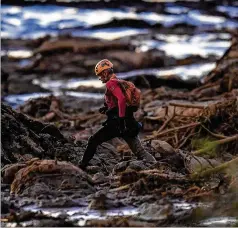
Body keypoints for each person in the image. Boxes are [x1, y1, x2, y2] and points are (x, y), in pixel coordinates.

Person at [79, 59, 156, 170]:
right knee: (140, 151)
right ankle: (155, 165)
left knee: (93, 140)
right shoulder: (118, 82)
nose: (100, 78)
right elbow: (116, 102)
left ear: (105, 73)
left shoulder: (111, 83)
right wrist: (106, 108)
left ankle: (82, 167)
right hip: (128, 122)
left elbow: (121, 99)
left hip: (117, 123)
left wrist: (120, 120)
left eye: (100, 75)